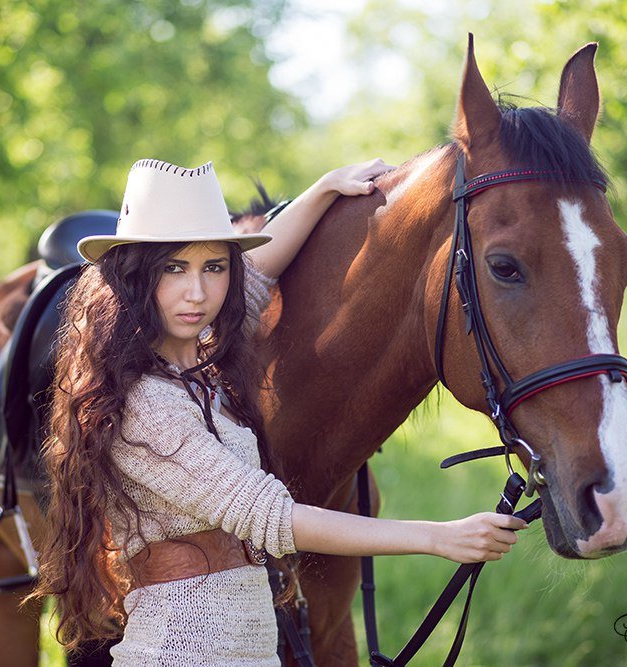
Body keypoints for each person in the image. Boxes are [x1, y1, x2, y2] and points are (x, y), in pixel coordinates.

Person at [32, 158, 527, 666]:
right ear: (134, 278)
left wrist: (323, 189)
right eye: (172, 268)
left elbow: (257, 274)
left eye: (214, 267)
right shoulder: (145, 404)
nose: (197, 292)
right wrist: (441, 537)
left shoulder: (200, 363)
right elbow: (274, 517)